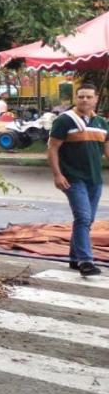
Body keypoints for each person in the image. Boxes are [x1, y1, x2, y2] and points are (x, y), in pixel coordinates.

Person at [48, 82, 108, 278]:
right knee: (83, 217)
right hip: (72, 178)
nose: (84, 100)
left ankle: (75, 258)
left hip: (94, 179)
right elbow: (53, 148)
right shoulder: (65, 121)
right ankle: (85, 261)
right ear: (76, 98)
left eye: (89, 97)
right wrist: (57, 174)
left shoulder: (101, 123)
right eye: (81, 96)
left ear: (96, 99)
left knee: (87, 219)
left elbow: (107, 150)